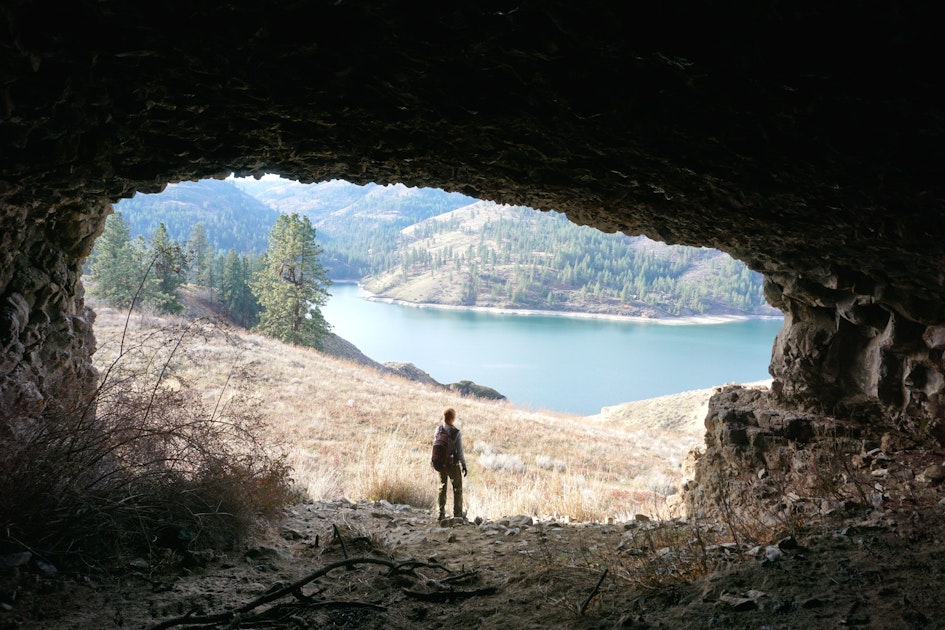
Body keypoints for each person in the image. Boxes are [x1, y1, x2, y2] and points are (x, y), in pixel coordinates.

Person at [434, 407, 467, 521]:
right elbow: (460, 451)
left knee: (442, 487)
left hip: (440, 462)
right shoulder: (456, 433)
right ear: (452, 418)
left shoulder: (438, 429)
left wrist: (433, 461)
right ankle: (457, 515)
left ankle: (440, 514)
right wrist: (464, 465)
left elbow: (435, 446)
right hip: (452, 463)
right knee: (457, 488)